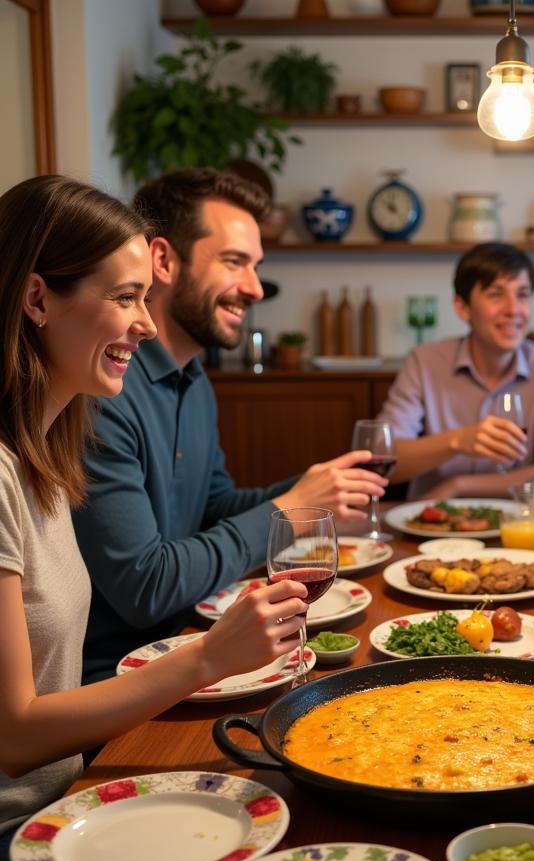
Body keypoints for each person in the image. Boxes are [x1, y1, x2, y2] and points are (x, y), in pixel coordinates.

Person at [0, 175, 308, 861]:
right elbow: (15, 737)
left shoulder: (46, 458)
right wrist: (208, 656)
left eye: (143, 296)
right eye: (124, 298)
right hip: (19, 834)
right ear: (38, 298)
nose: (145, 322)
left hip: (68, 796)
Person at [72, 169, 386, 682]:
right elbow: (145, 589)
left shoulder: (194, 378)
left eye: (255, 266)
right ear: (164, 260)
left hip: (192, 644)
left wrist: (312, 496)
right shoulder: (103, 391)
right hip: (119, 684)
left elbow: (213, 508)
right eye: (235, 262)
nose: (256, 288)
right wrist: (288, 509)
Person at [380, 242, 534, 500]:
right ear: (462, 307)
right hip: (432, 526)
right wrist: (458, 441)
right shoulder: (425, 362)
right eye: (496, 294)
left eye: (522, 294)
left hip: (520, 527)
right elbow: (384, 460)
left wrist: (459, 486)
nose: (513, 310)